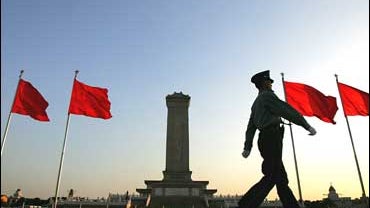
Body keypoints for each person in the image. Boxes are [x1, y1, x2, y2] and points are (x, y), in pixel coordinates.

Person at [238, 70, 316, 208]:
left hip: (265, 139)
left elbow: (251, 127)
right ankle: (246, 204)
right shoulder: (267, 96)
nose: (271, 83)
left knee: (281, 178)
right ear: (264, 83)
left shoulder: (256, 102)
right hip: (272, 137)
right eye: (269, 81)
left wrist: (247, 147)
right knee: (272, 175)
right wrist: (306, 125)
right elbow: (285, 110)